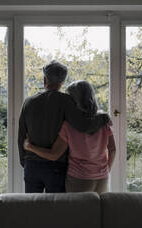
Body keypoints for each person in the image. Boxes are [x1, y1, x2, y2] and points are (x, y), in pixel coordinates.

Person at [18, 61, 110, 193]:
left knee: (32, 207)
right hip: (56, 167)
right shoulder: (66, 101)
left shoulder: (28, 102)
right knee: (57, 210)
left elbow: (21, 135)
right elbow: (83, 126)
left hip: (32, 165)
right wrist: (103, 118)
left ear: (45, 80)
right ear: (63, 81)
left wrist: (25, 162)